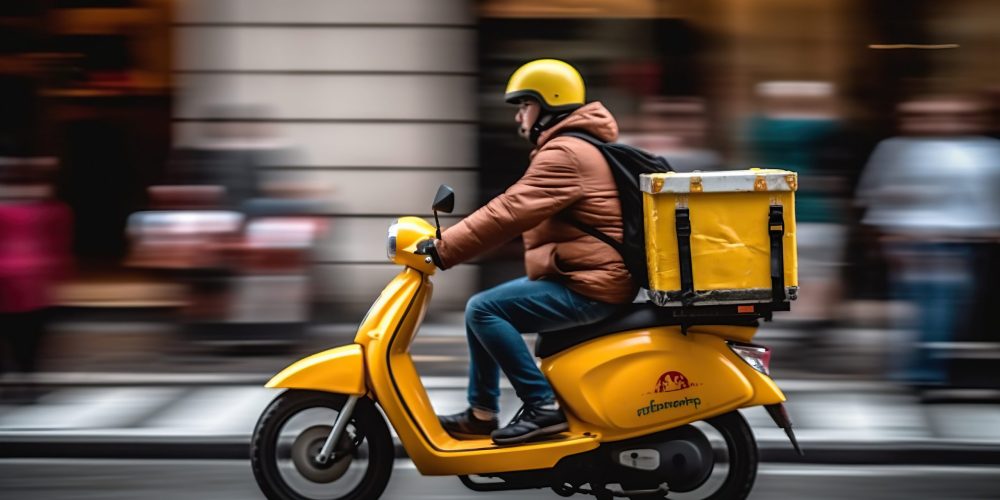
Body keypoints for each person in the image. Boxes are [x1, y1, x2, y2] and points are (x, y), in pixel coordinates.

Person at [424, 59, 635, 444]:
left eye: (525, 105)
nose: (520, 115)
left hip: (593, 286)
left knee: (484, 309)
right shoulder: (572, 147)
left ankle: (542, 406)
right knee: (482, 307)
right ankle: (481, 413)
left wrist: (444, 248)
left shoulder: (565, 154)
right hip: (584, 275)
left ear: (549, 104)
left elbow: (509, 211)